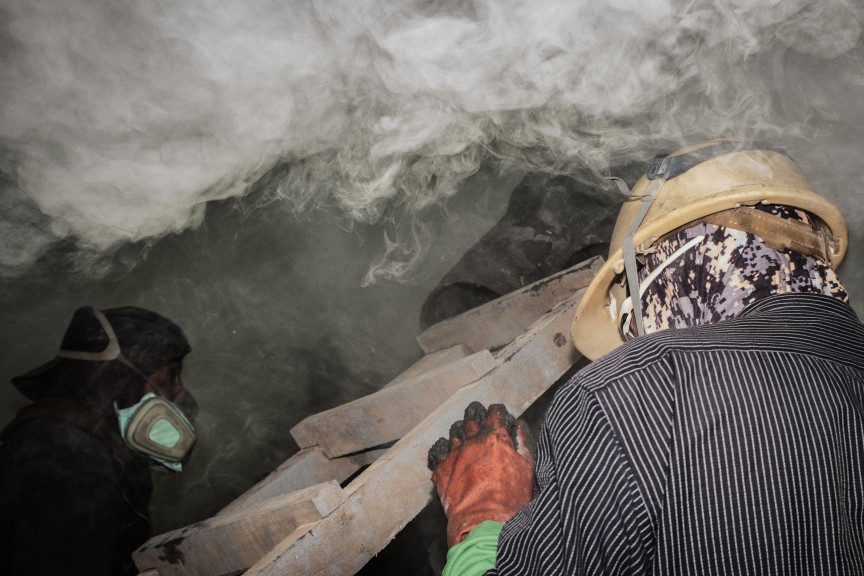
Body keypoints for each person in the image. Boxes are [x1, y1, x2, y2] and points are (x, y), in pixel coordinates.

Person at [428, 140, 864, 575]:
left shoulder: (630, 391)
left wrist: (482, 519)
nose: (635, 338)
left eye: (630, 319)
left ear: (660, 268)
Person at [0, 306, 199, 576]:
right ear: (118, 377)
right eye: (169, 375)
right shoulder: (61, 452)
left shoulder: (78, 444)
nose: (178, 391)